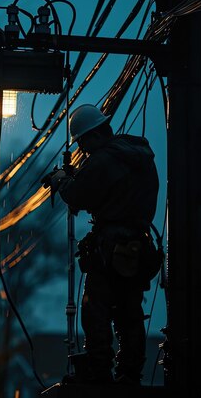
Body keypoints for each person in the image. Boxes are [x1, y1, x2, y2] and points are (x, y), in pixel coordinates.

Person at [42, 104, 161, 385]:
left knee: (96, 309)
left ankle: (99, 373)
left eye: (83, 142)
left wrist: (62, 181)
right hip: (138, 248)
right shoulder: (138, 156)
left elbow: (80, 195)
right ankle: (130, 373)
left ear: (93, 136)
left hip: (110, 248)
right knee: (129, 311)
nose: (83, 148)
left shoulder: (103, 160)